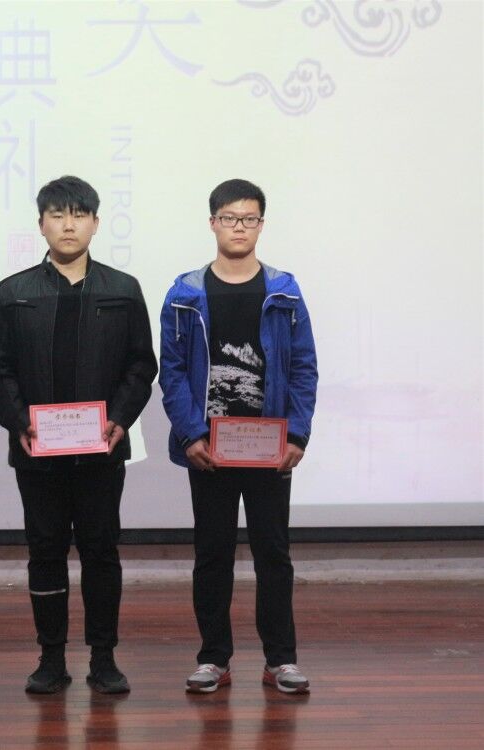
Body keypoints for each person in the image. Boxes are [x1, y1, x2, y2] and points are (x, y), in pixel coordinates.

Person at [0, 175, 156, 695]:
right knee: (45, 552)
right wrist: (20, 422)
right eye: (57, 215)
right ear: (41, 224)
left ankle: (104, 658)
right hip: (37, 453)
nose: (68, 225)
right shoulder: (13, 292)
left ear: (96, 223)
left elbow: (141, 365)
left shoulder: (122, 289)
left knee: (101, 551)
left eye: (79, 214)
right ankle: (51, 658)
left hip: (102, 451)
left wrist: (119, 419)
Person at [159, 178, 317, 695]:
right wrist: (190, 435)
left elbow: (304, 368)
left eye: (249, 219)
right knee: (212, 555)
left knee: (274, 554)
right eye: (229, 218)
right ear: (213, 223)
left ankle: (281, 660)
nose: (239, 227)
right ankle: (213, 658)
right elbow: (172, 372)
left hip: (270, 447)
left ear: (261, 225)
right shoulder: (185, 294)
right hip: (210, 449)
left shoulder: (284, 291)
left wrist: (297, 434)